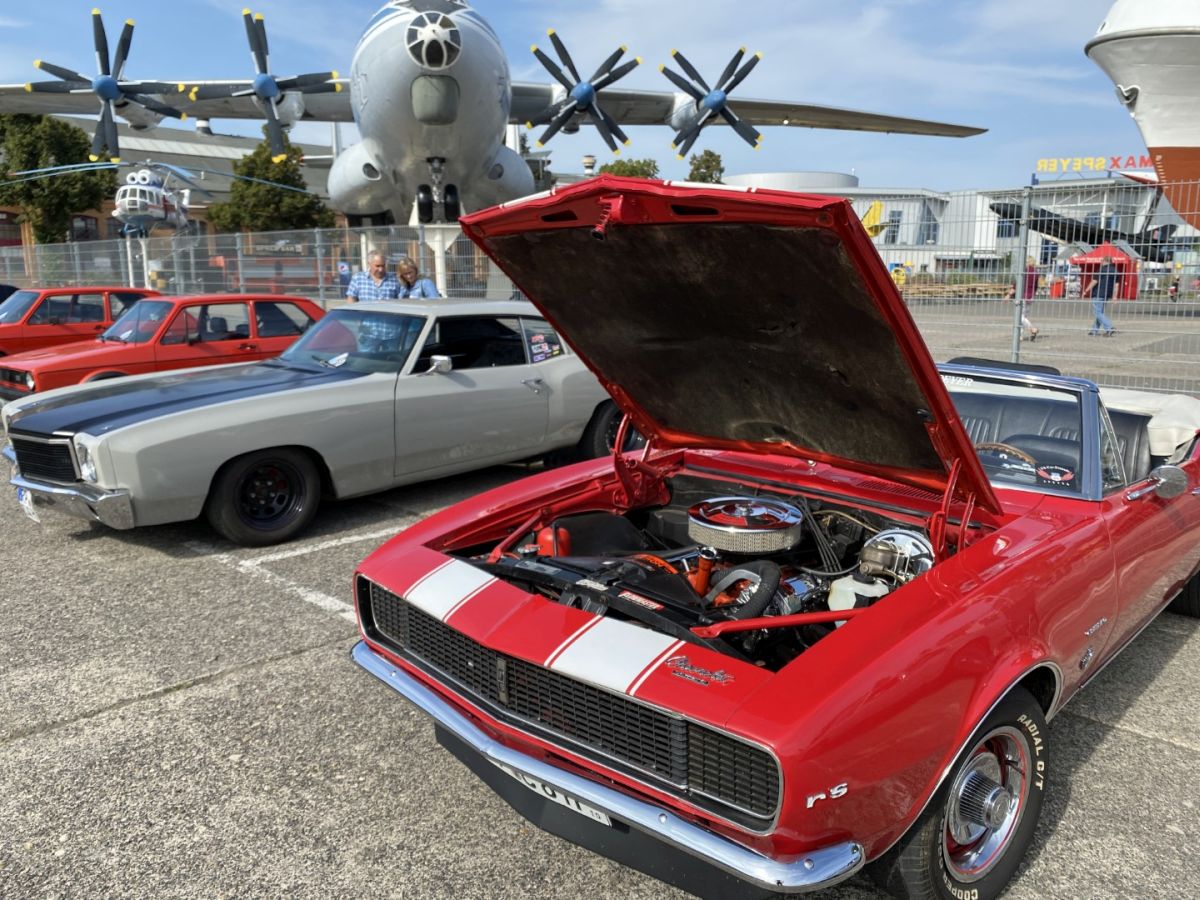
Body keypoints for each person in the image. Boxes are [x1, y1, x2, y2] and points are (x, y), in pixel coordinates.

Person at [1082, 256, 1117, 336]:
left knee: (1097, 312)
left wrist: (1086, 290)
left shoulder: (1101, 270)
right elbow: (1116, 285)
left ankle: (1109, 327)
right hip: (1107, 294)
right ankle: (1094, 331)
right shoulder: (1115, 271)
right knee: (1100, 313)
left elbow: (1094, 281)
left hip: (1098, 293)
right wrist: (1115, 296)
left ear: (1104, 261)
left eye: (1102, 261)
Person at [1010, 257, 1039, 341]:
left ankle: (1032, 328)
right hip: (1031, 296)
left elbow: (1018, 282)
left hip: (1022, 296)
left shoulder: (1025, 270)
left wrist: (1011, 292)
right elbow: (1036, 286)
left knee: (1019, 316)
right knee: (1023, 316)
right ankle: (1019, 335)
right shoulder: (1036, 273)